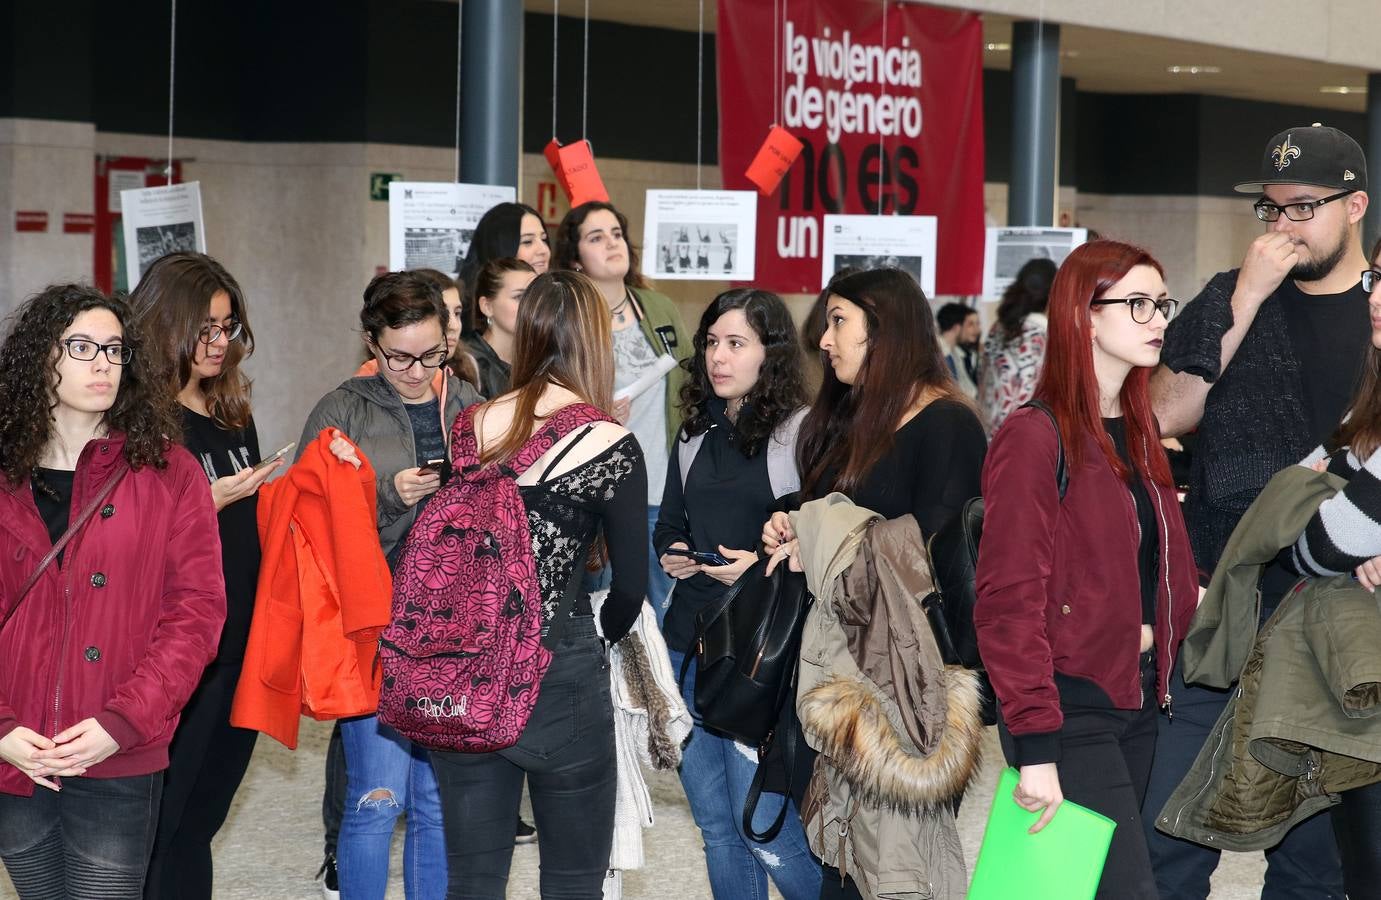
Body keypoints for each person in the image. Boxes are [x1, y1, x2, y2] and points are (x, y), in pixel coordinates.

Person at [1147, 124, 1370, 900]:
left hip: (1341, 613)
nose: (1282, 227)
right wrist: (1243, 295)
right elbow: (1165, 414)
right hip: (1232, 595)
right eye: (1270, 210)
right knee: (1165, 830)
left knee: (1314, 859)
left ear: (1355, 207)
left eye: (1303, 208)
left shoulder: (1379, 314)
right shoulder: (1226, 299)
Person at [974, 240, 1199, 899]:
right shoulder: (1034, 436)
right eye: (1135, 303)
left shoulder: (1137, 431)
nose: (1155, 317)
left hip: (1135, 702)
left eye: (1160, 302)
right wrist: (1036, 749)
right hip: (1066, 711)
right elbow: (1007, 602)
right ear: (1083, 317)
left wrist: (1160, 627)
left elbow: (1160, 567)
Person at [761, 267, 987, 900]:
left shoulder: (948, 424)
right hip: (843, 667)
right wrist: (792, 522)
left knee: (892, 868)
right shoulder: (855, 419)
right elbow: (829, 509)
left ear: (884, 332)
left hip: (904, 684)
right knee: (842, 858)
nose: (825, 340)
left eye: (839, 322)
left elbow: (938, 552)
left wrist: (824, 539)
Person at [427, 270, 649, 899]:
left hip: (468, 668)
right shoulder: (612, 445)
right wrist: (595, 637)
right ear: (594, 342)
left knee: (472, 879)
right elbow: (631, 587)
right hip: (562, 669)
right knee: (574, 882)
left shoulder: (471, 426)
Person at [0, 284, 224, 898]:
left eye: (114, 348)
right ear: (38, 358)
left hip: (116, 745)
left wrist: (123, 721)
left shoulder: (169, 471)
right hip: (15, 752)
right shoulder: (5, 472)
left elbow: (196, 614)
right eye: (80, 346)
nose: (102, 362)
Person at [300, 270, 482, 900]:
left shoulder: (465, 404)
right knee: (378, 798)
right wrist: (385, 493)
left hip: (453, 628)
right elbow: (304, 522)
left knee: (436, 804)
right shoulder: (342, 408)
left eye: (433, 354)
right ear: (371, 342)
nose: (415, 369)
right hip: (373, 625)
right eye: (399, 355)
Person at [653, 289, 819, 900]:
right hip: (689, 647)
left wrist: (759, 561)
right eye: (711, 344)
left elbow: (819, 537)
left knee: (764, 831)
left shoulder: (800, 434)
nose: (717, 358)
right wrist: (672, 553)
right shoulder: (694, 432)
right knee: (718, 831)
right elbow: (670, 522)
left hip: (760, 659)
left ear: (770, 354)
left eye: (735, 344)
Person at [128, 252, 281, 900]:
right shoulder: (137, 420)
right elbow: (115, 540)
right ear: (166, 324)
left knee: (200, 823)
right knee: (158, 827)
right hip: (181, 652)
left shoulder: (229, 411)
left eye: (228, 328)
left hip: (242, 642)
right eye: (206, 329)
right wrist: (201, 504)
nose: (219, 343)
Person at [1284, 239, 1381, 899]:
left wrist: (1335, 499)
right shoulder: (1366, 406)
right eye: (1377, 277)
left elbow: (1320, 537)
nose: (1373, 297)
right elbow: (1296, 515)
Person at [554, 200, 693, 624]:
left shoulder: (659, 307)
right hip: (595, 495)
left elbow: (692, 382)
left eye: (616, 233)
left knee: (660, 618)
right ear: (576, 259)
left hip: (659, 492)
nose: (613, 243)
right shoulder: (569, 319)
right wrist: (593, 412)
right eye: (596, 237)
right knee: (604, 615)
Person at [978, 257, 1057, 433]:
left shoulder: (997, 328)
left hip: (985, 428)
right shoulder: (1042, 335)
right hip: (1019, 434)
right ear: (1052, 294)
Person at [457, 202, 551, 333]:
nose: (543, 250)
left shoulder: (557, 300)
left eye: (544, 239)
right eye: (528, 242)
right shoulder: (463, 328)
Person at [463, 257, 537, 400]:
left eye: (535, 295)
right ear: (487, 306)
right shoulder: (468, 364)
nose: (531, 304)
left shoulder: (543, 356)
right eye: (519, 297)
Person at [936, 302, 981, 400]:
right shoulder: (941, 355)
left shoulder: (954, 353)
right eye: (968, 325)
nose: (975, 330)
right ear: (957, 328)